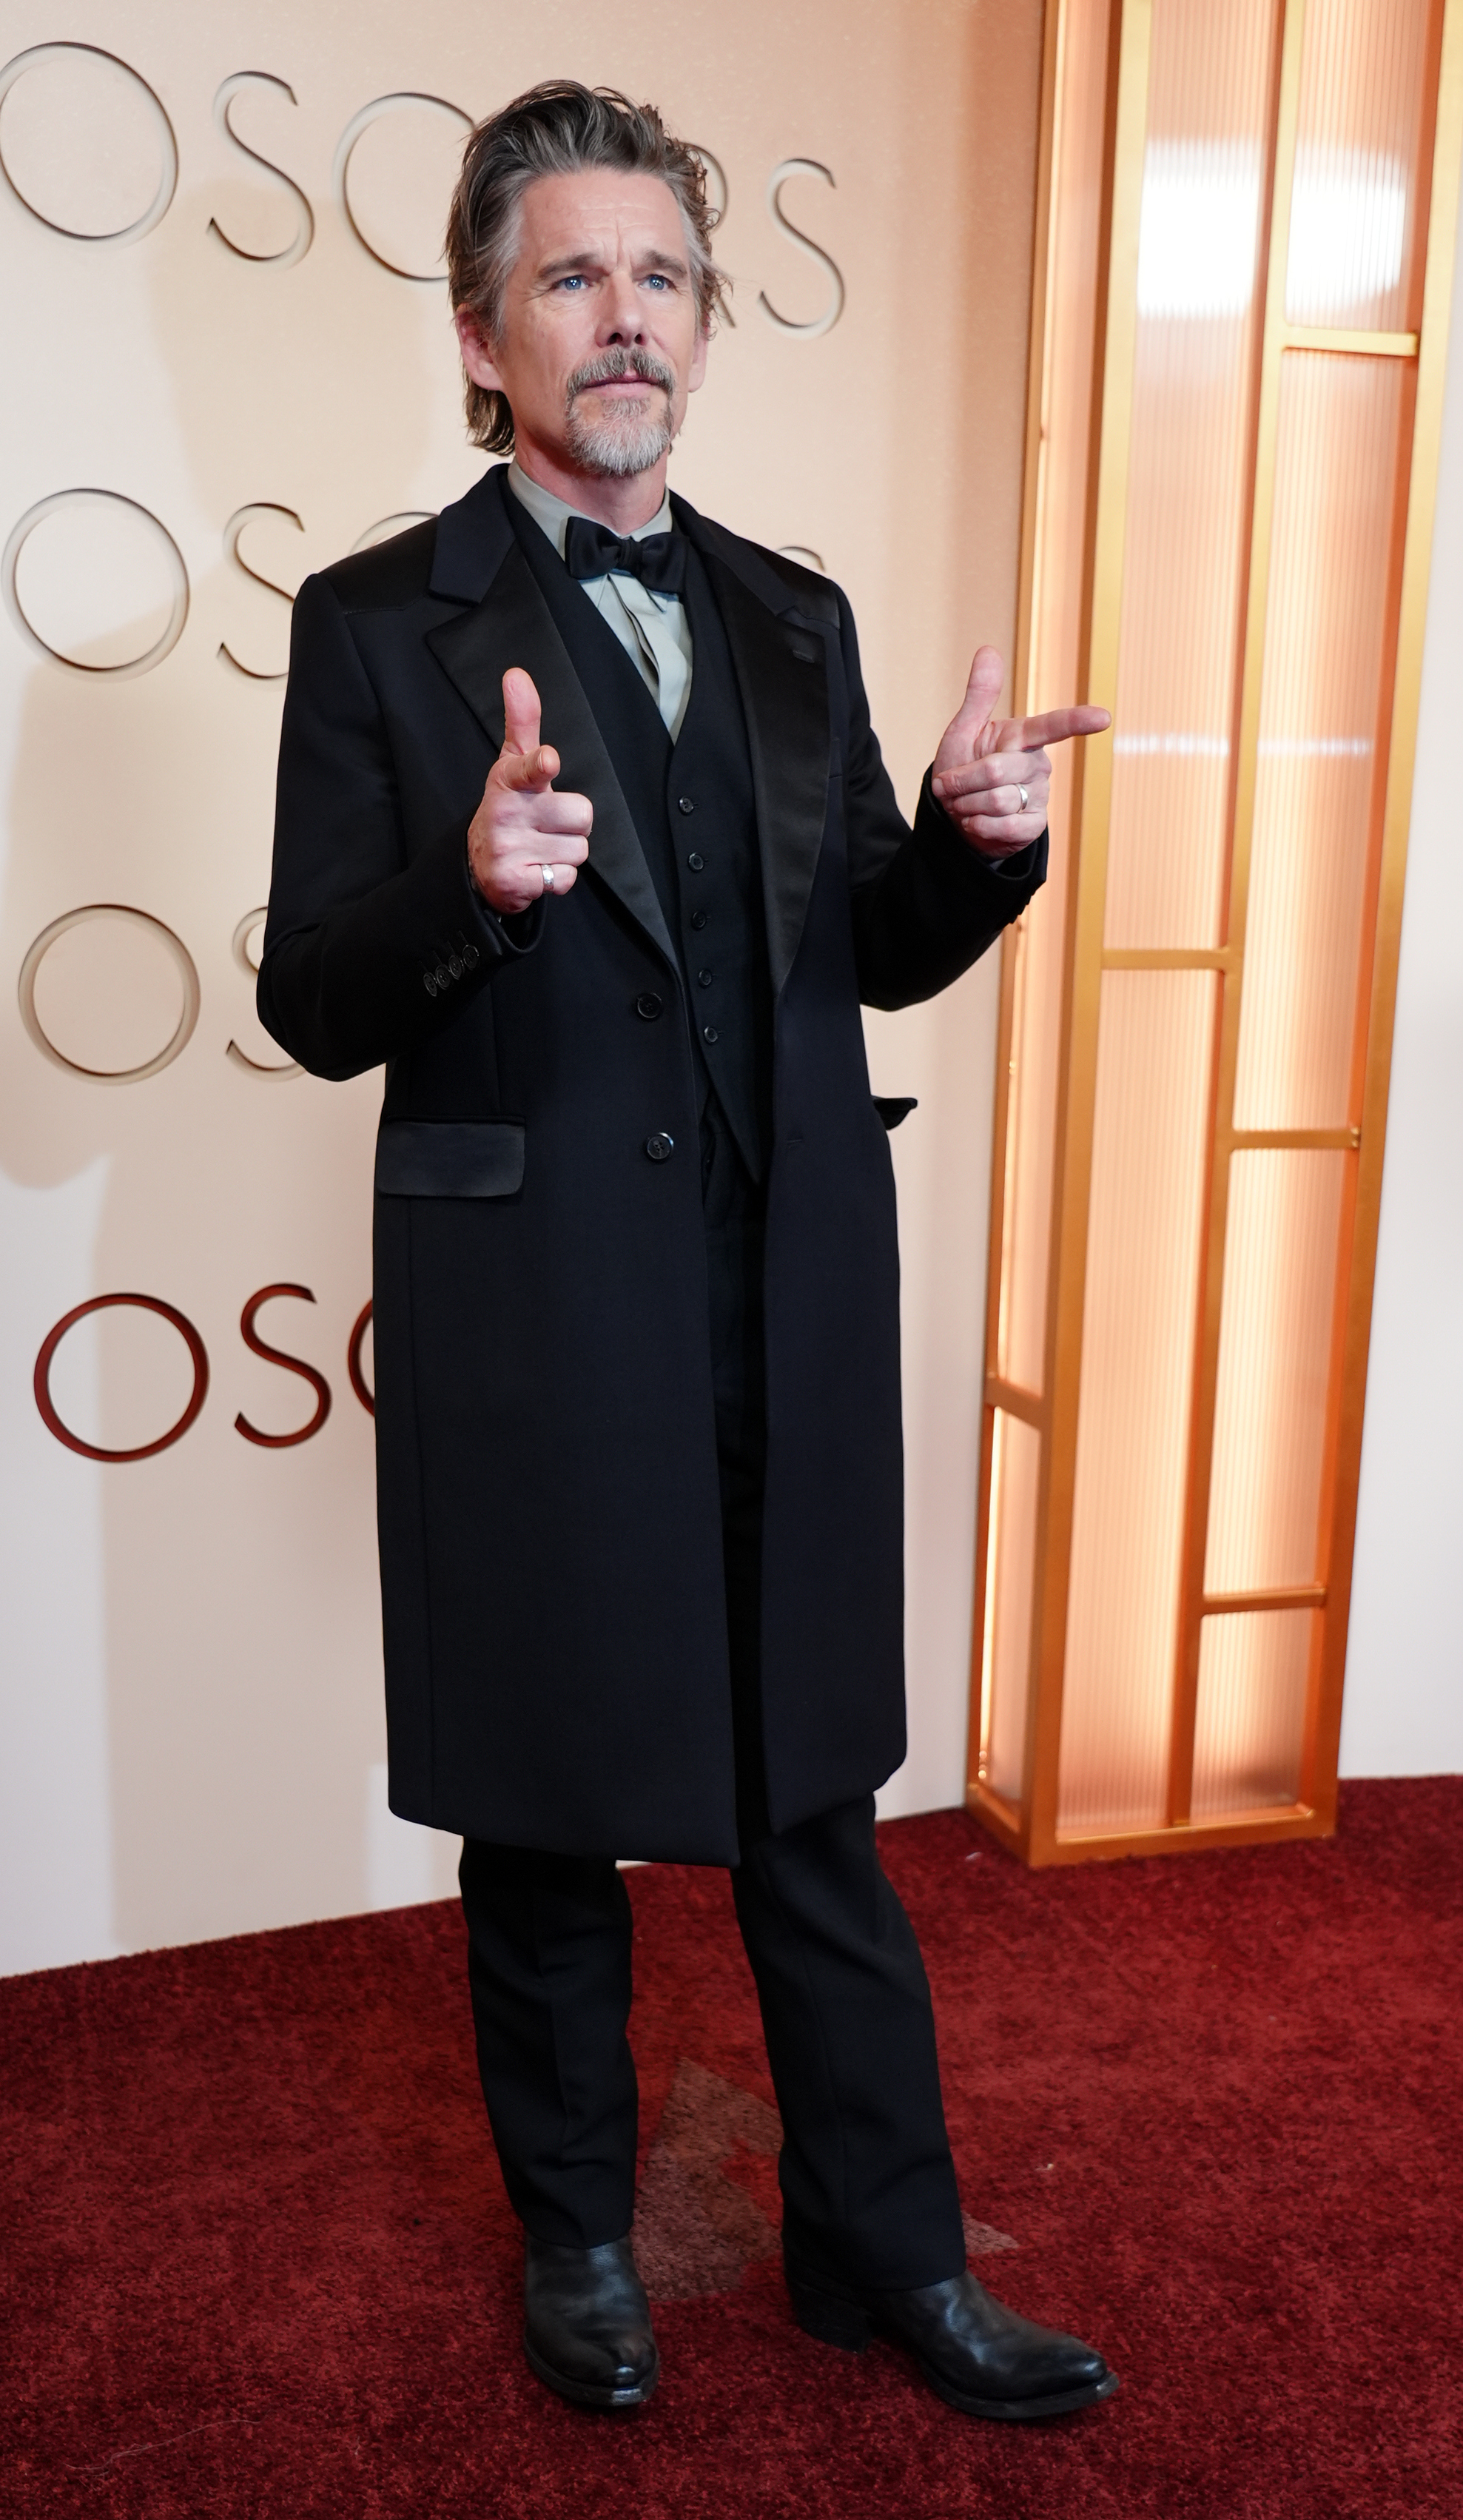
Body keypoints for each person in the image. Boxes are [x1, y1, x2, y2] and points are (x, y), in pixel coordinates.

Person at [259, 81, 1114, 2424]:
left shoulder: (789, 611)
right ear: (479, 335)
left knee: (812, 1800)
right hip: (540, 1320)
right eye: (567, 276)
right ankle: (580, 2255)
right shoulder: (371, 629)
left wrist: (967, 850)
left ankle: (891, 2257)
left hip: (786, 1294)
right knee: (551, 1810)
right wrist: (464, 890)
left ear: (702, 330)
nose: (618, 317)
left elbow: (855, 950)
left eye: (656, 277)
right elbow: (306, 997)